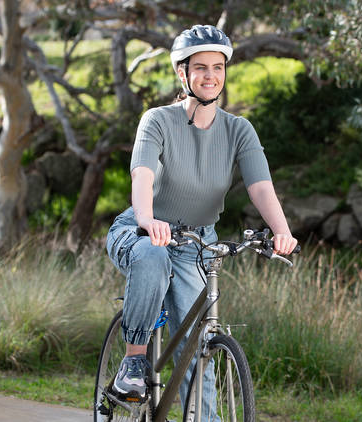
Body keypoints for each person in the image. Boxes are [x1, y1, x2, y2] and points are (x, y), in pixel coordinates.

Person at [105, 24, 298, 416]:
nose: (210, 76)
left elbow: (260, 187)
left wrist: (281, 230)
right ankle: (134, 362)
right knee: (152, 257)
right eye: (200, 67)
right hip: (141, 230)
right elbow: (142, 175)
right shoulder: (157, 120)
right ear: (183, 73)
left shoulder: (238, 129)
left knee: (198, 349)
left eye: (218, 67)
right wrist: (147, 219)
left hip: (196, 242)